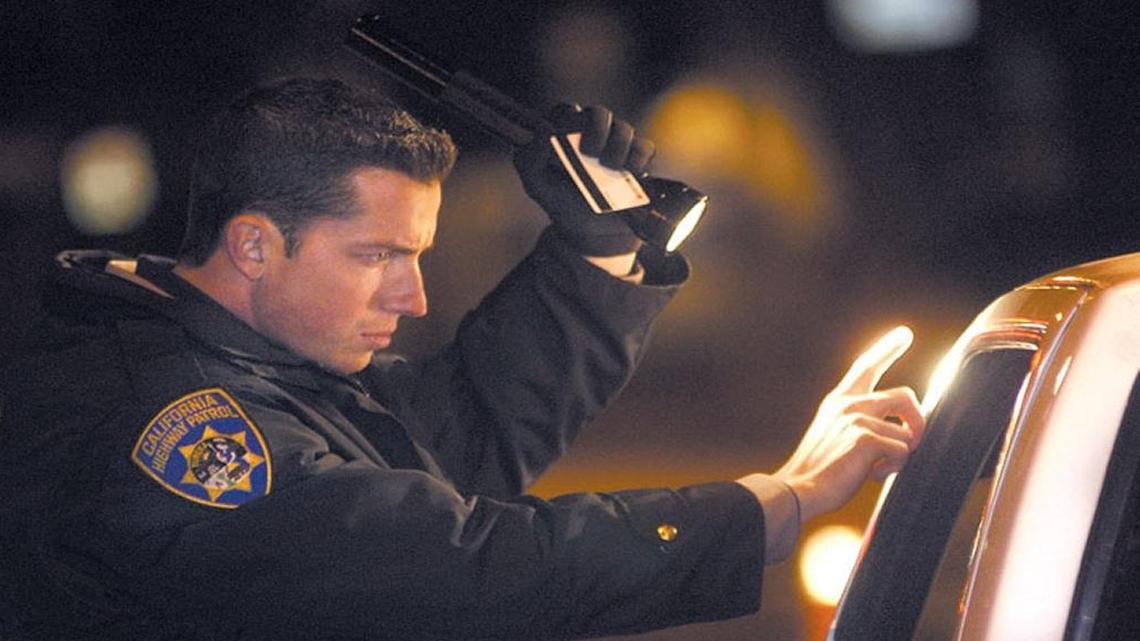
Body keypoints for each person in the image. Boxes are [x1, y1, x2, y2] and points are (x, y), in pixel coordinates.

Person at [0, 77, 924, 641]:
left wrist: (598, 255)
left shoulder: (247, 364)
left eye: (417, 255)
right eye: (377, 257)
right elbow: (462, 567)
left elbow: (456, 435)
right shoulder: (165, 427)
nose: (413, 297)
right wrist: (779, 501)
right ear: (253, 246)